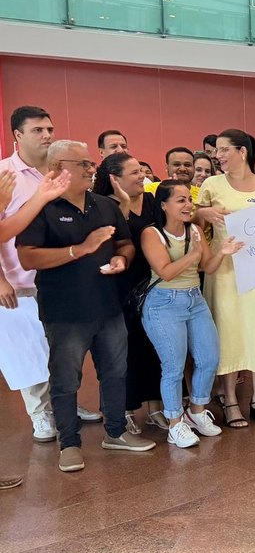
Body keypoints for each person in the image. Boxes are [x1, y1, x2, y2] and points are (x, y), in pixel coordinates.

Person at [16, 139, 156, 472]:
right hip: (65, 313)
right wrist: (80, 249)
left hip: (109, 307)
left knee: (115, 373)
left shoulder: (104, 206)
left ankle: (116, 433)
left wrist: (122, 258)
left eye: (91, 164)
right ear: (56, 168)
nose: (91, 170)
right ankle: (69, 444)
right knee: (65, 381)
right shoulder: (41, 208)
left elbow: (125, 243)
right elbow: (27, 256)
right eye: (82, 165)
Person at [0, 106, 91, 442]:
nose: (47, 135)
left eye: (50, 129)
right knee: (29, 353)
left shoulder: (59, 173)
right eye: (38, 130)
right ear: (17, 135)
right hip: (19, 281)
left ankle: (65, 405)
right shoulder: (4, 174)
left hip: (62, 279)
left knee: (63, 351)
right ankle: (40, 415)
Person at [195, 129, 255, 428]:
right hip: (225, 273)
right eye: (217, 150)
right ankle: (230, 400)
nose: (217, 155)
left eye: (224, 150)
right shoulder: (211, 184)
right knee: (228, 333)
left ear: (242, 151)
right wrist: (204, 213)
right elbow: (192, 219)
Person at [141, 181, 242, 448]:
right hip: (163, 303)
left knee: (209, 358)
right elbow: (165, 271)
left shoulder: (195, 229)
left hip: (195, 300)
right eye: (180, 200)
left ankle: (196, 412)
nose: (188, 205)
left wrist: (222, 251)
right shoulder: (152, 234)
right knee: (173, 367)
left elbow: (207, 267)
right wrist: (195, 253)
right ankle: (175, 424)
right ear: (164, 205)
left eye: (189, 200)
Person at [92, 152, 164, 433]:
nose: (142, 176)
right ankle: (124, 410)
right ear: (114, 178)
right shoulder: (101, 205)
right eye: (134, 172)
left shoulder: (151, 200)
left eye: (141, 171)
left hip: (153, 285)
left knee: (154, 346)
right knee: (123, 351)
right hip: (119, 287)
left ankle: (157, 407)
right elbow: (106, 244)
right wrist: (122, 207)